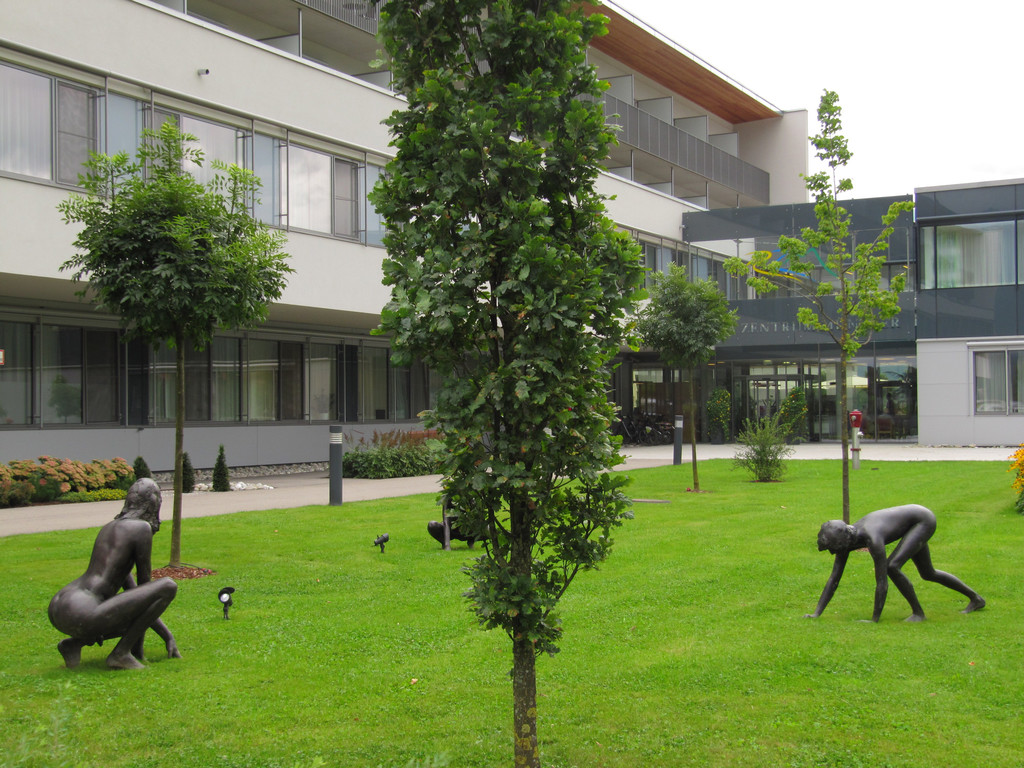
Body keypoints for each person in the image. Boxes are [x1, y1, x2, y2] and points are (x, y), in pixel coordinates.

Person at [48, 478, 181, 669]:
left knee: (134, 609)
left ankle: (74, 644)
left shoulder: (110, 527)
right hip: (82, 611)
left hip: (61, 607)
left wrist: (164, 636)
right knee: (168, 586)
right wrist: (142, 647)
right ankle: (120, 654)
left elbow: (136, 597)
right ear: (153, 503)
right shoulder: (141, 528)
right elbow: (146, 589)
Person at [805, 504, 985, 622]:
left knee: (892, 567)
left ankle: (918, 614)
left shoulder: (872, 537)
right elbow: (834, 578)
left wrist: (874, 619)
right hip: (913, 521)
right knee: (928, 573)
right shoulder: (847, 538)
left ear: (844, 541)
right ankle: (976, 599)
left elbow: (881, 581)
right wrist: (816, 613)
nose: (835, 554)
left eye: (835, 549)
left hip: (922, 521)